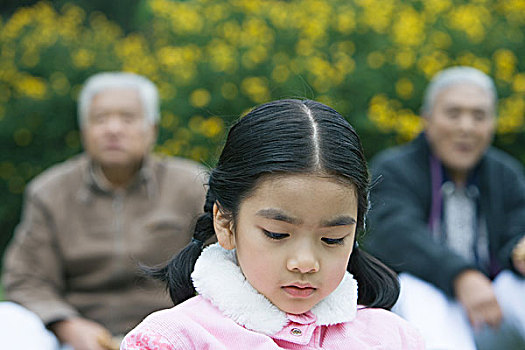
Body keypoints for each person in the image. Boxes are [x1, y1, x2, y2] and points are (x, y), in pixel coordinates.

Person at [119, 99, 425, 349]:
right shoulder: (171, 340)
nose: (305, 263)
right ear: (225, 224)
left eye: (332, 239)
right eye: (277, 234)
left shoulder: (394, 338)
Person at [0, 72, 206, 350]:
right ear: (84, 130)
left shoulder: (192, 185)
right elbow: (25, 278)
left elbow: (220, 263)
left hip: (173, 332)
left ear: (152, 129)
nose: (113, 129)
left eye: (127, 118)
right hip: (76, 335)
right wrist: (67, 325)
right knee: (7, 321)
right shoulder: (50, 191)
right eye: (100, 119)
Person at [364, 66, 525, 349]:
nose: (466, 127)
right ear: (427, 119)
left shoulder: (506, 174)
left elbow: (517, 227)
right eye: (453, 114)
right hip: (421, 311)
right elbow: (396, 234)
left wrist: (518, 250)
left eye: (479, 116)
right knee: (416, 289)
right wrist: (462, 276)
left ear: (492, 123)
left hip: (490, 310)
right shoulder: (394, 169)